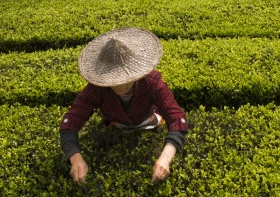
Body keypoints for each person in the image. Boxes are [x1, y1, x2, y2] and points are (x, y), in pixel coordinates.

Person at [60, 27, 189, 185]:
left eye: (125, 79)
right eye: (113, 79)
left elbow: (177, 118)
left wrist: (165, 158)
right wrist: (75, 158)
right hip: (114, 126)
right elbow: (71, 121)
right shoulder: (96, 89)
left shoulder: (152, 83)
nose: (119, 85)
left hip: (149, 121)